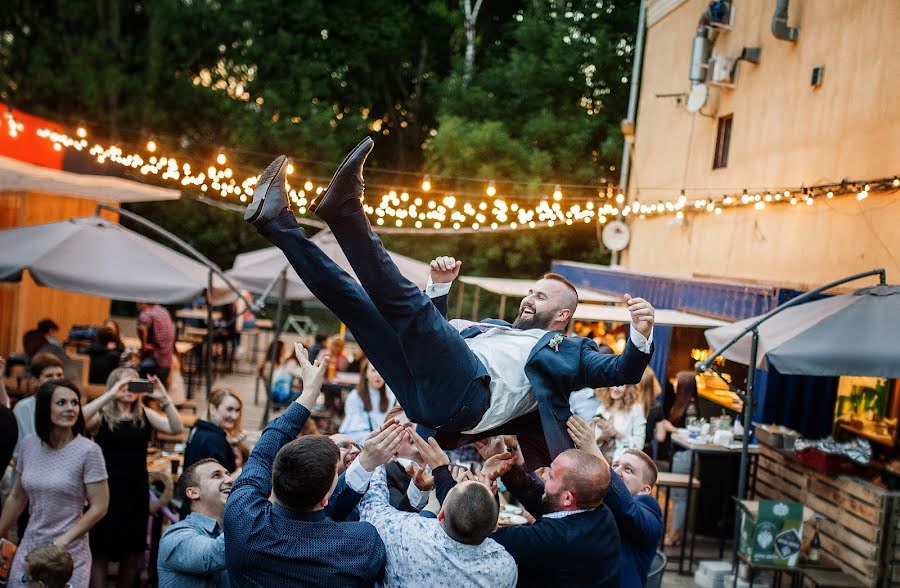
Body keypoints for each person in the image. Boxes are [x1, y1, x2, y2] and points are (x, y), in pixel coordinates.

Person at [244, 143, 655, 467]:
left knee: (408, 303)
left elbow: (623, 370)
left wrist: (640, 331)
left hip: (469, 397)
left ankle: (345, 209)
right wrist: (439, 290)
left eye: (541, 296)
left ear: (563, 315)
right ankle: (277, 221)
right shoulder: (495, 328)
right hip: (425, 396)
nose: (529, 298)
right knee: (356, 305)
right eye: (531, 291)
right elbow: (434, 345)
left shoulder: (569, 353)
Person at [223, 344, 395, 587]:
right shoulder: (359, 543)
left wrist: (308, 395)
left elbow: (262, 453)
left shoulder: (242, 518)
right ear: (325, 499)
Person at [420, 435, 621, 587]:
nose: (543, 479)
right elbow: (541, 498)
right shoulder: (599, 512)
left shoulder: (558, 540)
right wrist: (504, 463)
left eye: (550, 476)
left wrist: (441, 472)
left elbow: (475, 533)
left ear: (568, 498)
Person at [80, 368, 183, 587]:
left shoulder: (144, 414)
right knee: (100, 550)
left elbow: (176, 428)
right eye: (122, 384)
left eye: (133, 384)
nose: (128, 389)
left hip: (135, 491)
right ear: (114, 387)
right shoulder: (102, 416)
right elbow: (79, 419)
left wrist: (164, 399)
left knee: (132, 552)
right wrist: (109, 396)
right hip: (106, 491)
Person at [0, 380, 109, 588]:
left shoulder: (89, 451)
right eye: (61, 403)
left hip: (68, 552)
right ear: (44, 408)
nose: (70, 408)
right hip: (31, 544)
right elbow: (17, 496)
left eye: (74, 403)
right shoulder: (29, 444)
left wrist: (63, 541)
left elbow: (99, 507)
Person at [357, 452, 517, 587]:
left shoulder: (404, 534)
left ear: (440, 514)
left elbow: (372, 507)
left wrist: (375, 460)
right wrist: (482, 501)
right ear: (495, 526)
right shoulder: (504, 567)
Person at [568, 415, 664, 587]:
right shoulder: (599, 501)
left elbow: (627, 510)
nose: (618, 471)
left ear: (645, 490)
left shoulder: (650, 509)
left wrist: (594, 451)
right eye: (616, 465)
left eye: (628, 470)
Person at [157, 458, 234, 588]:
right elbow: (214, 555)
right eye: (216, 475)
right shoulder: (175, 536)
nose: (230, 480)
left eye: (228, 474)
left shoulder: (227, 530)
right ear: (193, 493)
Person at [652, 371, 698, 546]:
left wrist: (673, 429)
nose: (675, 386)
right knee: (677, 496)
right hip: (677, 453)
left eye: (679, 383)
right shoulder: (681, 403)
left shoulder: (690, 407)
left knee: (680, 496)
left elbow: (691, 432)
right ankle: (674, 531)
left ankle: (676, 534)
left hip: (684, 454)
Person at [183, 388, 247, 473]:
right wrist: (239, 473)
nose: (234, 416)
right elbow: (219, 480)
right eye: (229, 409)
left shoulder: (198, 429)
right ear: (212, 409)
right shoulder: (214, 439)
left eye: (237, 410)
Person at [339, 359, 396, 444]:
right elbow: (354, 432)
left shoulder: (390, 395)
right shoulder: (355, 397)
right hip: (364, 441)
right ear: (366, 373)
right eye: (373, 370)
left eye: (381, 371)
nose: (378, 375)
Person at [594, 384, 647, 461]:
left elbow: (639, 444)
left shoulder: (635, 409)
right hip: (601, 461)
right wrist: (604, 436)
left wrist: (617, 434)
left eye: (620, 385)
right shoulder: (602, 408)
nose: (615, 389)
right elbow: (594, 440)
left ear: (628, 387)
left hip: (622, 462)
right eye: (612, 384)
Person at [136, 302, 175, 384]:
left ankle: (140, 395)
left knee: (138, 378)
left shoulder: (147, 313)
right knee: (159, 391)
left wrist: (144, 345)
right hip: (166, 361)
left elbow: (142, 328)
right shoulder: (164, 311)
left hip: (155, 360)